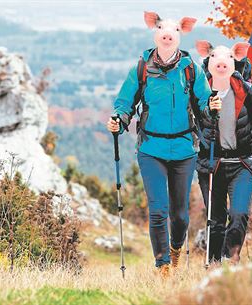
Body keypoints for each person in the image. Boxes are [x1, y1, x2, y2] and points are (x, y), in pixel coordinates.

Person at [107, 12, 217, 277]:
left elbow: (203, 101)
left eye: (174, 31)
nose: (168, 34)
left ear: (182, 34)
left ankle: (176, 249)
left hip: (183, 149)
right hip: (150, 149)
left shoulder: (191, 69)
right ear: (154, 33)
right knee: (158, 210)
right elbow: (125, 103)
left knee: (179, 216)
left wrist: (211, 106)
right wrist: (119, 121)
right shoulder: (142, 68)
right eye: (162, 30)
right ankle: (163, 266)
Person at [195, 40, 252, 264]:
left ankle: (230, 259)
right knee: (216, 219)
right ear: (208, 61)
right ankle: (214, 264)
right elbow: (191, 120)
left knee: (239, 214)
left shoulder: (245, 89)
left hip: (241, 163)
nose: (222, 64)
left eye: (228, 59)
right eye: (216, 59)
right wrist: (208, 112)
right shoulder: (200, 89)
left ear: (236, 61)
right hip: (210, 164)